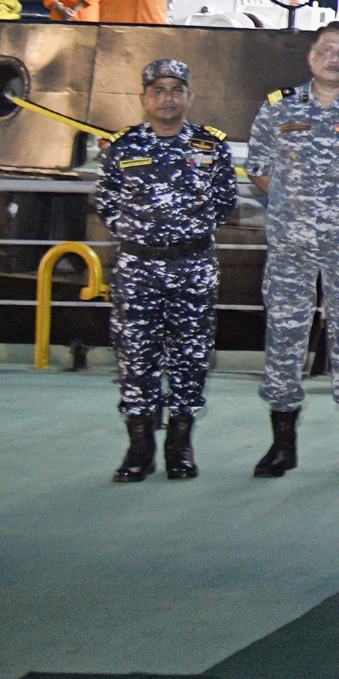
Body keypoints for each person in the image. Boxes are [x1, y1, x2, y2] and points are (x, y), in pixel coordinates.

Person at [246, 22, 339, 477]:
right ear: (311, 56)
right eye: (327, 49)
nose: (335, 58)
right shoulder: (279, 108)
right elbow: (259, 169)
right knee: (285, 337)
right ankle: (282, 445)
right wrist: (298, 205)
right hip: (291, 248)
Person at [95, 59, 238, 482]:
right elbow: (106, 203)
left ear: (189, 97)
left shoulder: (210, 147)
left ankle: (180, 445)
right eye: (158, 90)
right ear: (144, 97)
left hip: (193, 265)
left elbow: (225, 200)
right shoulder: (123, 147)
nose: (167, 98)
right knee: (135, 356)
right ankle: (139, 447)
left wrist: (186, 234)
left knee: (191, 356)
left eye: (176, 90)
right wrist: (146, 235)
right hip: (138, 266)